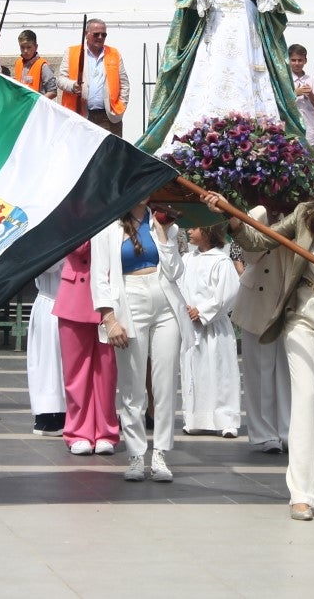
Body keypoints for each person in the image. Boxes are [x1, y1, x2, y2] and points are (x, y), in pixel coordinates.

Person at [206, 156, 314, 520]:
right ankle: (304, 494)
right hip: (304, 313)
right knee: (305, 397)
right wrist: (231, 216)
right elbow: (259, 239)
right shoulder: (304, 214)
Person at [138, 0, 303, 154]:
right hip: (218, 27)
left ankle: (254, 138)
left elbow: (275, 5)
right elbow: (192, 3)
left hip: (247, 31)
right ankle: (204, 137)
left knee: (248, 76)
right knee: (212, 74)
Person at [92, 202, 186, 482]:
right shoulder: (107, 226)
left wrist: (165, 234)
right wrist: (109, 319)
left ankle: (160, 452)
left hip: (164, 300)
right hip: (129, 299)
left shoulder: (164, 223)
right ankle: (135, 453)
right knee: (132, 384)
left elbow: (175, 271)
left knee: (165, 381)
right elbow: (99, 277)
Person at [232, 205, 292, 453]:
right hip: (259, 296)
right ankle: (263, 432)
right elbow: (251, 254)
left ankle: (289, 430)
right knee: (258, 370)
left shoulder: (304, 213)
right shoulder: (257, 212)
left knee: (289, 371)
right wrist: (264, 221)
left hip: (289, 295)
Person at [53, 241, 119, 455]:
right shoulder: (71, 211)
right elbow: (77, 246)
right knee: (75, 372)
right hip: (75, 293)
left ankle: (106, 432)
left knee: (106, 372)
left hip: (109, 297)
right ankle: (77, 433)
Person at [179, 223, 241, 437]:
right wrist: (184, 306)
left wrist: (203, 311)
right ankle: (196, 417)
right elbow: (178, 285)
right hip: (191, 325)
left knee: (220, 371)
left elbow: (228, 293)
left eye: (194, 228)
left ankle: (226, 419)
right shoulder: (187, 259)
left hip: (214, 326)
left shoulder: (221, 261)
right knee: (194, 371)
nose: (189, 231)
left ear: (207, 231)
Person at [58, 19, 130, 137]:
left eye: (104, 34)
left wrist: (121, 106)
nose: (100, 37)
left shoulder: (114, 53)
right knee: (81, 152)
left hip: (108, 118)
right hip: (80, 115)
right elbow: (60, 80)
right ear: (86, 34)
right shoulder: (72, 52)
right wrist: (72, 86)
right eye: (96, 34)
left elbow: (124, 84)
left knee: (110, 154)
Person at [26, 259, 66, 437]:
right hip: (52, 300)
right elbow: (51, 264)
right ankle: (49, 414)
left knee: (57, 362)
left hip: (61, 300)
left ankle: (60, 413)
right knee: (49, 363)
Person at [287, 44, 314, 153]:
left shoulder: (312, 80)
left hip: (309, 130)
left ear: (305, 61)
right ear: (288, 60)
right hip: (290, 130)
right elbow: (280, 103)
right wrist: (294, 94)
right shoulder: (285, 80)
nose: (297, 63)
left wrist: (311, 94)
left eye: (300, 60)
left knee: (309, 164)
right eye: (293, 60)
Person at [14, 30, 57, 99]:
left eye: (29, 47)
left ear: (36, 47)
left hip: (37, 107)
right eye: (22, 47)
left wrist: (38, 103)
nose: (25, 51)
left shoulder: (43, 66)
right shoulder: (18, 63)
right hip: (22, 105)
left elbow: (53, 91)